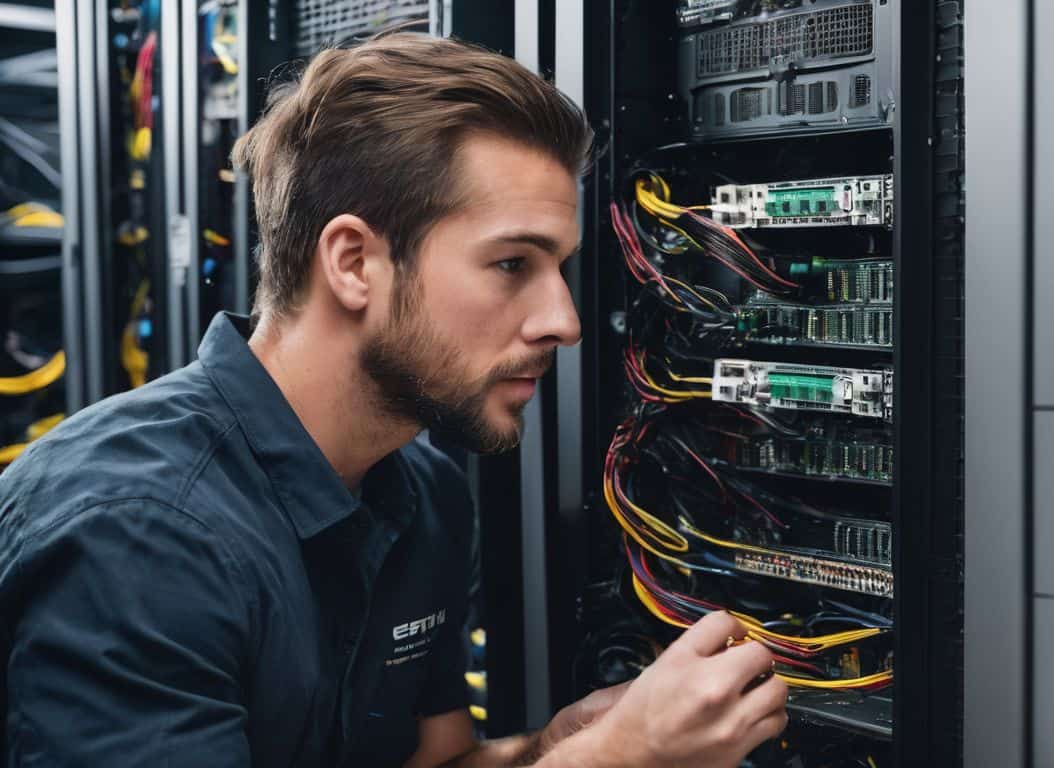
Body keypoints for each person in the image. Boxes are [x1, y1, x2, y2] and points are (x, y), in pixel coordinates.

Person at [0, 32, 788, 767]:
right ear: (352, 263)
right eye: (513, 263)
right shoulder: (138, 533)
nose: (565, 323)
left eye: (560, 268)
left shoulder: (423, 494)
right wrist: (613, 760)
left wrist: (561, 743)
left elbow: (434, 761)